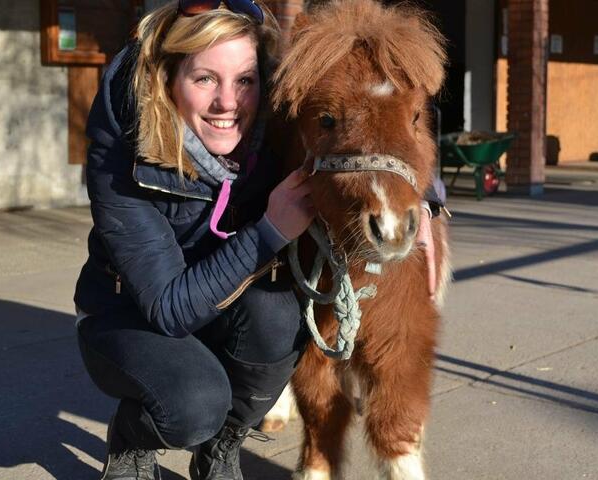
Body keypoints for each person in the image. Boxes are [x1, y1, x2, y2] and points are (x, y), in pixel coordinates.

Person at [74, 2, 443, 479]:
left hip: (223, 295)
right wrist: (269, 231)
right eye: (205, 79)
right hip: (135, 312)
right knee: (193, 404)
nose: (228, 102)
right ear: (167, 79)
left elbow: (371, 112)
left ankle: (221, 448)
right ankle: (131, 439)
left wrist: (421, 194)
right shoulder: (119, 158)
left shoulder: (263, 115)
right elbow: (168, 307)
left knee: (279, 321)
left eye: (245, 81)